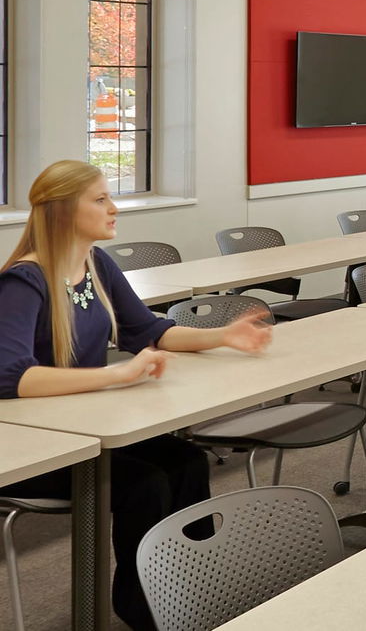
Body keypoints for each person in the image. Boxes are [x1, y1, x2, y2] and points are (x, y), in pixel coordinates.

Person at [0, 161, 273, 631]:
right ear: (64, 210)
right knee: (143, 483)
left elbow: (150, 331)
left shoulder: (95, 264)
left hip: (86, 426)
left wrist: (223, 336)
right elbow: (12, 378)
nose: (114, 208)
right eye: (101, 199)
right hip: (34, 445)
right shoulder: (23, 282)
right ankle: (145, 609)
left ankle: (192, 593)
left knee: (187, 462)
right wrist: (116, 377)